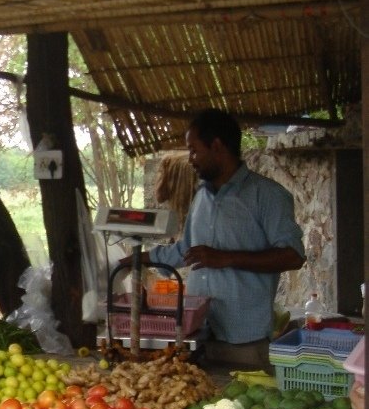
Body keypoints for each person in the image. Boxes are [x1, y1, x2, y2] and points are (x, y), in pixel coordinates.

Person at [123, 109, 305, 370]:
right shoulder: (201, 197)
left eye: (194, 150)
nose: (191, 160)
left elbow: (293, 255)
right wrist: (139, 259)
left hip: (244, 342)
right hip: (199, 336)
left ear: (217, 146)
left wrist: (226, 257)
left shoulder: (267, 196)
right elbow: (187, 250)